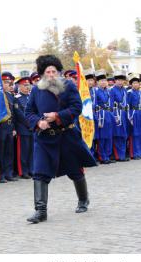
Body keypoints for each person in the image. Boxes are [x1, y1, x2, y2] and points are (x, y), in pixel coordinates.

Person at [25, 55, 97, 224]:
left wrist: (57, 115)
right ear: (43, 74)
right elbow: (28, 112)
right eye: (47, 71)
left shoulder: (69, 86)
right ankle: (40, 211)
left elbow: (76, 107)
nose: (50, 74)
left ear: (58, 72)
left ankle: (83, 200)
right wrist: (39, 122)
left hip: (66, 136)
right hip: (44, 138)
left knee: (75, 171)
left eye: (53, 71)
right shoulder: (36, 90)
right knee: (40, 173)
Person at [0, 72, 17, 183]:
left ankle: (9, 173)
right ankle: (1, 174)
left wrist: (14, 127)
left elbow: (13, 113)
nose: (8, 85)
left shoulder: (10, 95)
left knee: (9, 151)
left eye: (9, 83)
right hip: (1, 126)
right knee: (2, 151)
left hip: (10, 126)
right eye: (5, 83)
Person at [14, 76, 33, 179]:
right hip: (23, 128)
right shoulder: (17, 98)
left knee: (32, 150)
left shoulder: (31, 97)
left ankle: (31, 169)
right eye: (24, 85)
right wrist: (30, 124)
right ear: (20, 86)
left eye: (28, 85)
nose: (27, 87)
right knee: (24, 151)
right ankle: (23, 171)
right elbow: (20, 115)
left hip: (33, 128)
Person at [94, 70, 115, 164]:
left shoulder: (108, 91)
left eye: (104, 80)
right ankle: (102, 157)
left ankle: (107, 155)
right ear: (97, 82)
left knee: (109, 136)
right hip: (101, 115)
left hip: (109, 115)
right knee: (102, 137)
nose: (103, 82)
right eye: (101, 81)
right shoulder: (96, 91)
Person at [110, 70, 129, 161]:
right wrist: (114, 116)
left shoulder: (124, 90)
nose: (120, 82)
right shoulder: (112, 90)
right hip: (116, 113)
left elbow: (126, 103)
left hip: (124, 114)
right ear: (115, 81)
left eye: (122, 80)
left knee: (123, 135)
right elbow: (111, 104)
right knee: (117, 135)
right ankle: (118, 156)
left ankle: (123, 154)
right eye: (118, 80)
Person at [127, 74, 141, 159]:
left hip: (140, 113)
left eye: (137, 83)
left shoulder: (140, 92)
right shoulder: (129, 93)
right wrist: (130, 116)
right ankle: (136, 153)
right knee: (135, 134)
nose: (136, 84)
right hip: (134, 113)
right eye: (134, 83)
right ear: (131, 84)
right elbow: (127, 105)